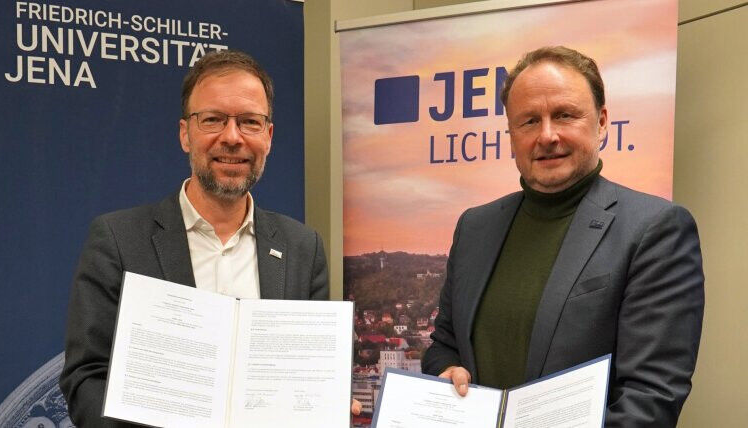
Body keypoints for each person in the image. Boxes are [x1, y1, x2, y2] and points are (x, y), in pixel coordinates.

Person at [59, 50, 360, 426]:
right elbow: (86, 379)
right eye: (213, 119)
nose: (232, 137)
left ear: (268, 137)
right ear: (185, 134)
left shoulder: (303, 247)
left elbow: (310, 376)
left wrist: (325, 405)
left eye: (249, 122)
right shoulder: (119, 240)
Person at [421, 46, 704, 427]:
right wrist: (446, 370)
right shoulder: (474, 227)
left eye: (565, 115)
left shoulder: (655, 229)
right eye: (529, 121)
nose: (547, 135)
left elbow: (649, 400)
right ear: (511, 135)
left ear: (601, 122)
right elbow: (444, 345)